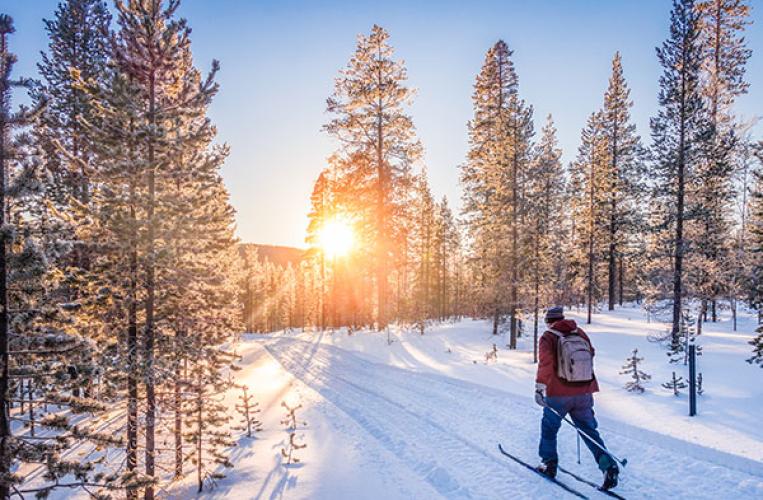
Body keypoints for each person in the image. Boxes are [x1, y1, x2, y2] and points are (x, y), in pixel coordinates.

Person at [534, 306, 619, 490]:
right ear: (562, 317)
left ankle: (549, 465)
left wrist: (540, 388)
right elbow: (591, 353)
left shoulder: (548, 337)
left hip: (558, 394)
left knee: (549, 429)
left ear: (548, 321)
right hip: (584, 392)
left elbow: (545, 364)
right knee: (589, 431)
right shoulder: (579, 332)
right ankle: (608, 466)